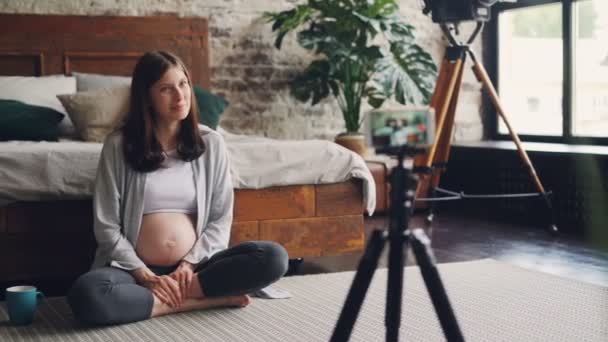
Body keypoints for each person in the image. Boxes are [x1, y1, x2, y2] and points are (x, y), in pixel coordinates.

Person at [67, 51, 289, 326]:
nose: (180, 95)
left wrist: (188, 265)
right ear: (146, 98)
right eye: (166, 89)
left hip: (197, 270)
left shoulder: (211, 143)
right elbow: (107, 227)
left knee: (273, 258)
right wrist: (146, 276)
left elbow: (220, 218)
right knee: (86, 295)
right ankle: (198, 302)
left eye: (183, 84)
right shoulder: (118, 146)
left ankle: (169, 299)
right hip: (134, 272)